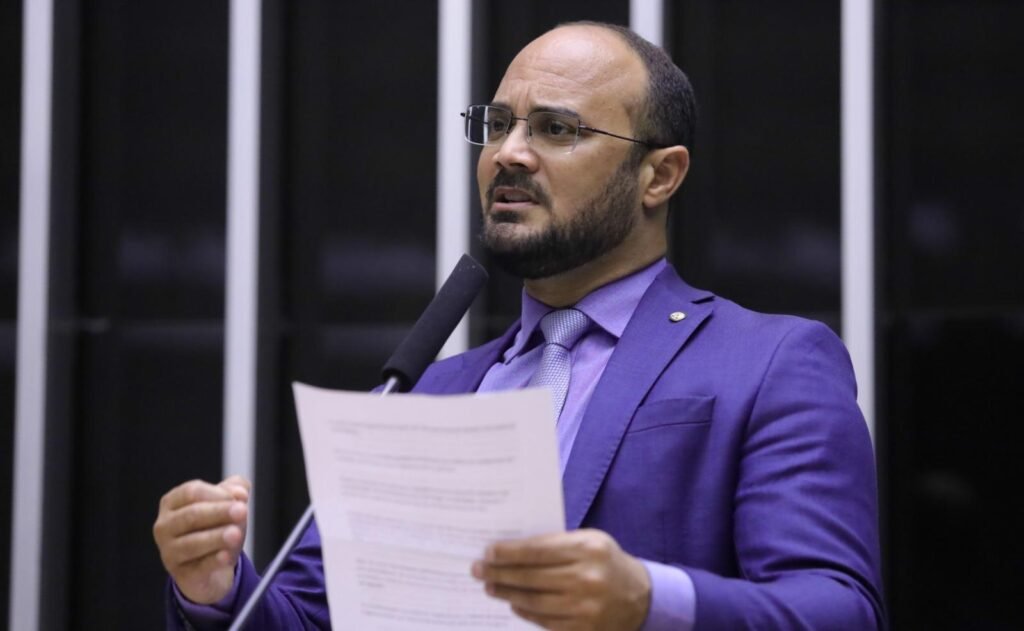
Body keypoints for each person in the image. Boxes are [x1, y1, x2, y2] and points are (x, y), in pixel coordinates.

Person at [153, 21, 885, 630]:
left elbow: (838, 609)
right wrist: (215, 589)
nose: (508, 153)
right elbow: (316, 616)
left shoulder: (771, 362)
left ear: (659, 175)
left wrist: (649, 599)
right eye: (498, 124)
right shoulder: (425, 394)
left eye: (556, 129)